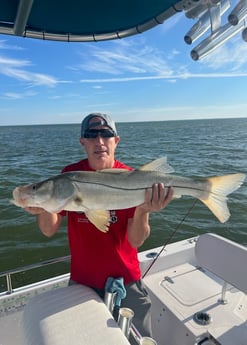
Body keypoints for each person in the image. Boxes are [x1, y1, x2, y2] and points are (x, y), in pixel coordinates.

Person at [25, 113, 173, 343]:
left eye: (106, 134)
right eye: (91, 135)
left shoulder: (134, 178)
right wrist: (44, 205)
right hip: (82, 283)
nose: (99, 141)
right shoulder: (69, 176)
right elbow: (48, 230)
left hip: (127, 281)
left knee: (138, 340)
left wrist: (143, 210)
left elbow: (135, 241)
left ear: (116, 140)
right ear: (82, 142)